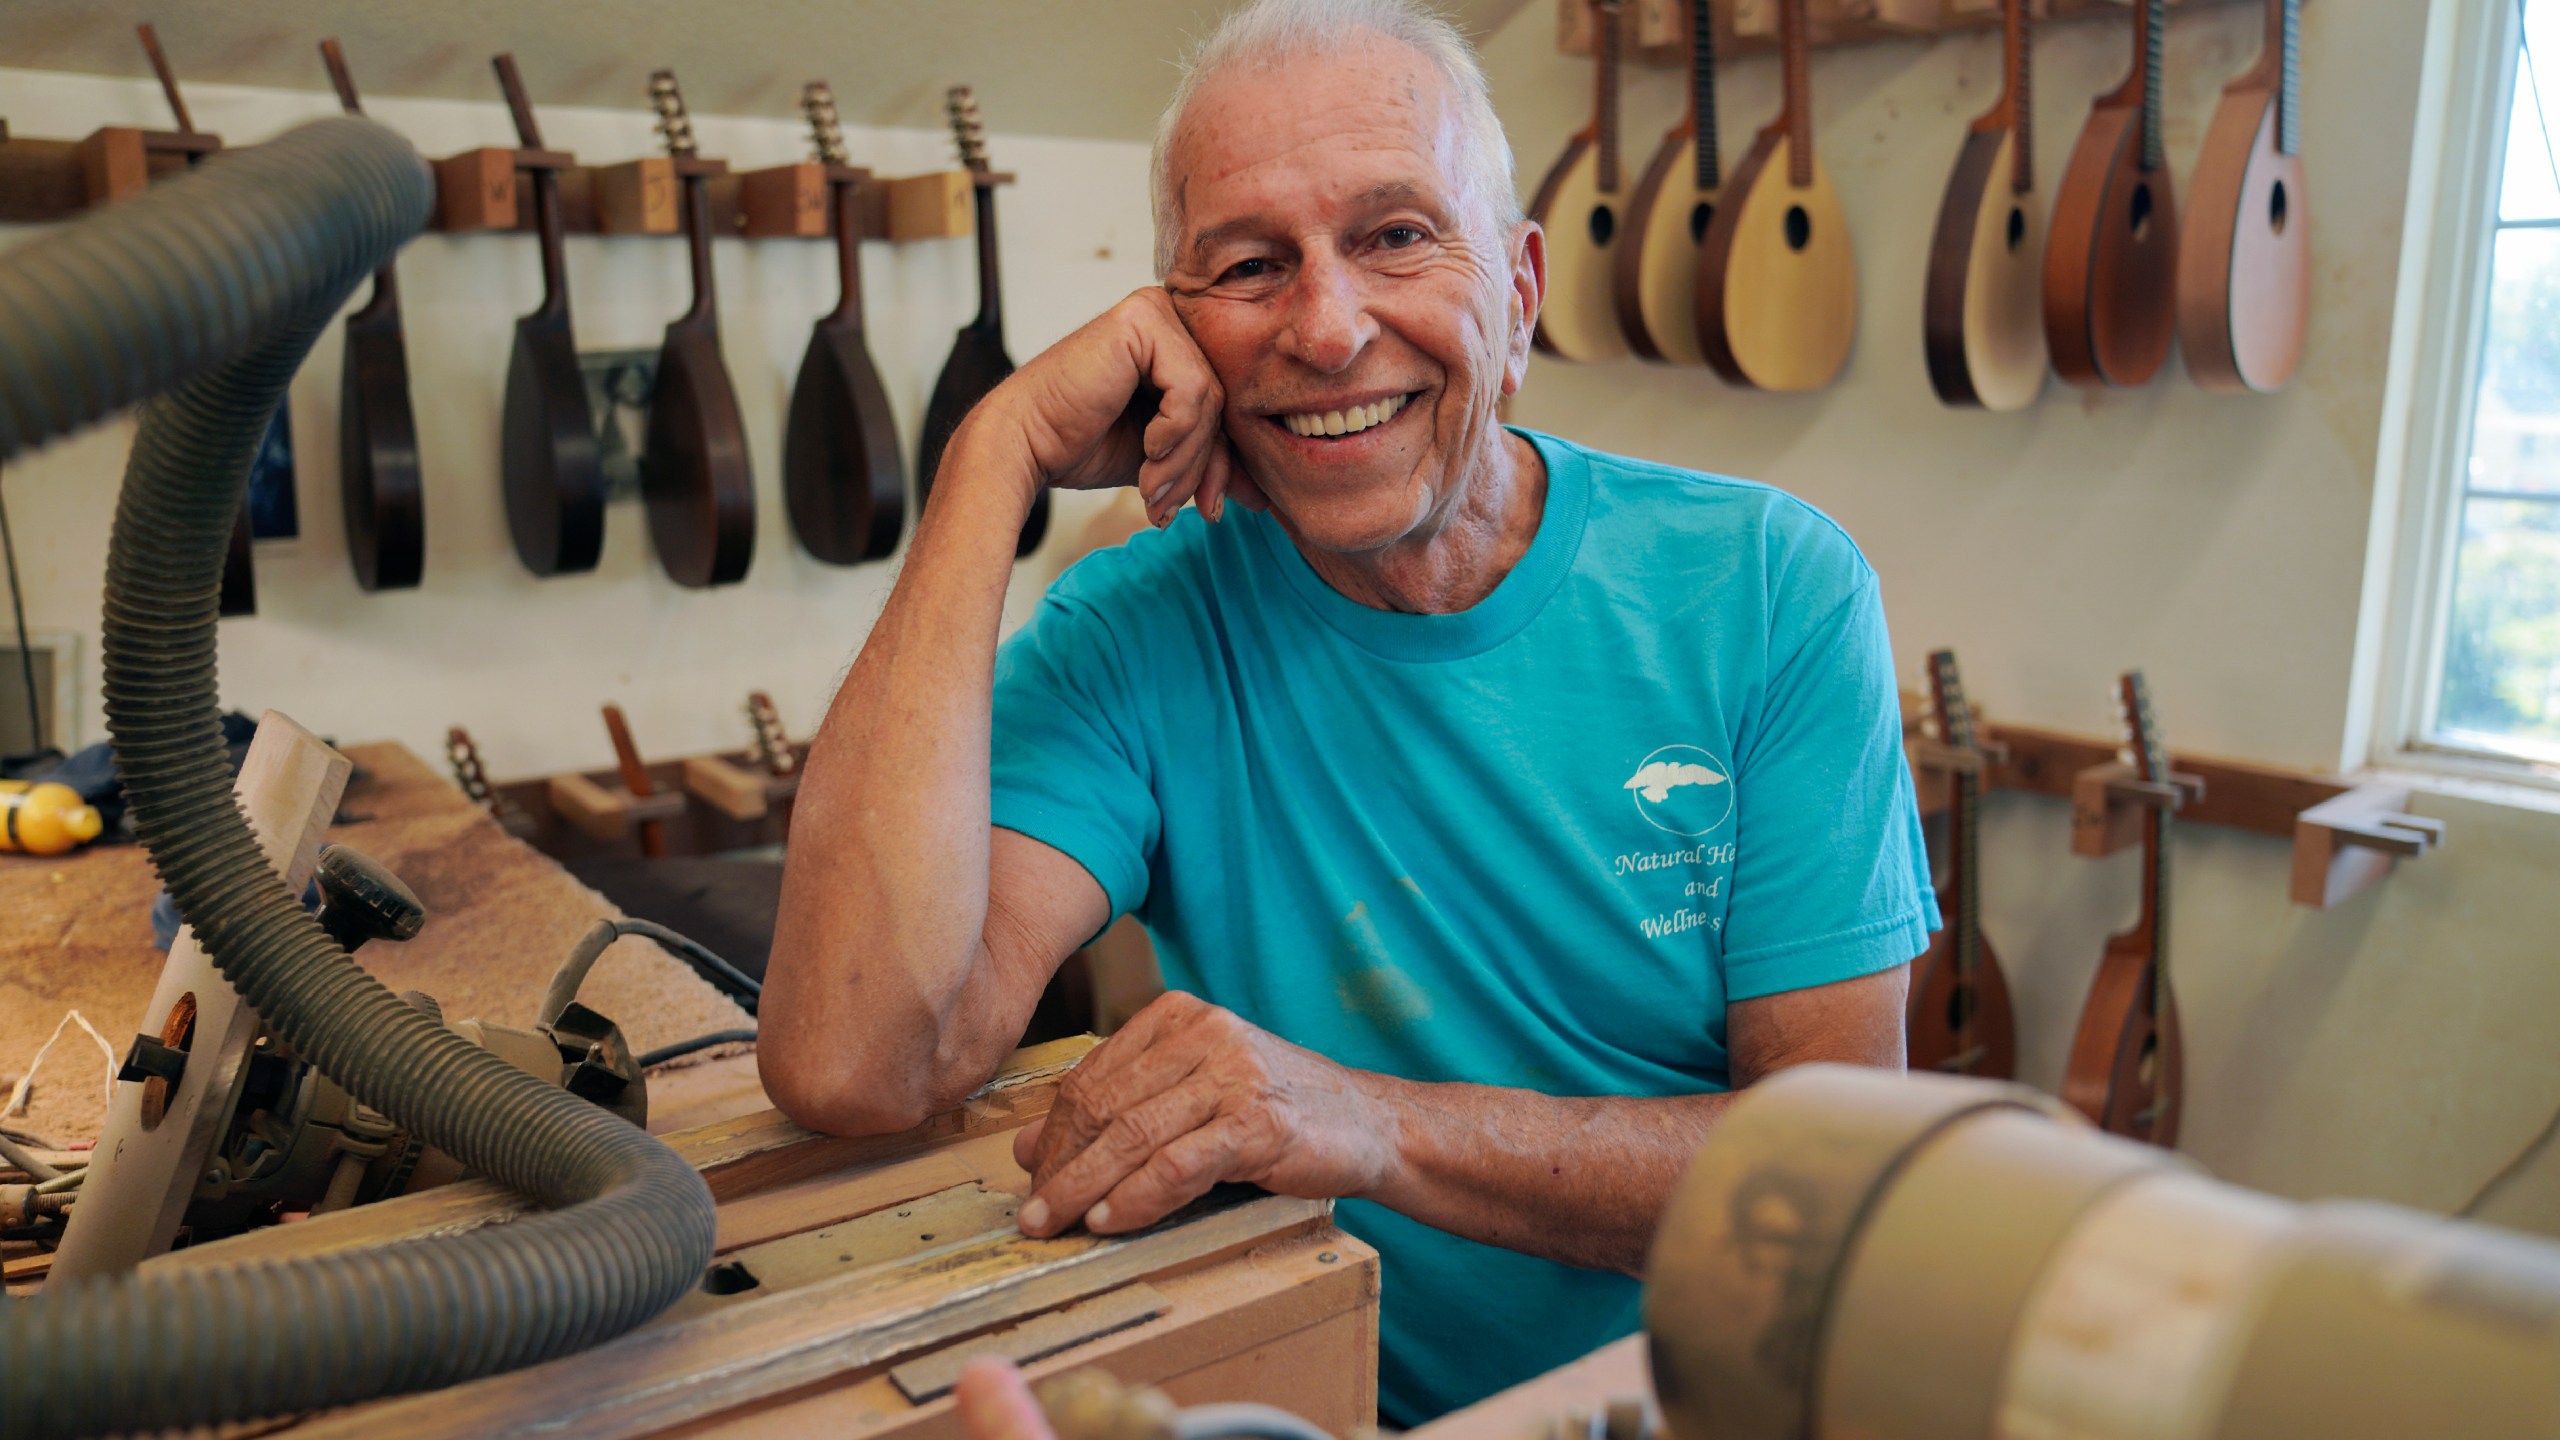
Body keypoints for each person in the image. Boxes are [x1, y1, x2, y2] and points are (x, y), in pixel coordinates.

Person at [761, 0, 1936, 1423]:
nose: (1326, 329)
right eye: (1250, 266)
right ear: (1175, 333)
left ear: (1518, 290)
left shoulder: (1766, 587)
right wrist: (989, 457)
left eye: (1394, 235)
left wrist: (1365, 1119)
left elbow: (1833, 1180)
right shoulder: (1139, 627)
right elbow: (856, 1058)